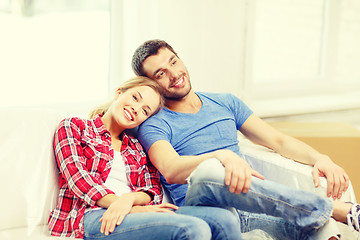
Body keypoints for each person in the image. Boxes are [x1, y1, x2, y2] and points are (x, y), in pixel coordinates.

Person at [131, 39, 360, 239]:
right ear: (149, 83)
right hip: (205, 208)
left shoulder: (225, 102)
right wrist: (222, 156)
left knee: (323, 226)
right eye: (160, 74)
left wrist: (320, 158)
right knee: (209, 171)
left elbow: (277, 141)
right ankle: (336, 209)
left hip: (253, 208)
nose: (174, 74)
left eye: (173, 62)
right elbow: (171, 169)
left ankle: (326, 213)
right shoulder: (154, 123)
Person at [48, 76, 242, 240]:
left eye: (145, 111)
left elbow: (153, 189)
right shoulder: (74, 127)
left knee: (224, 219)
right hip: (93, 214)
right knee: (192, 228)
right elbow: (79, 180)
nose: (136, 109)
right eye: (135, 98)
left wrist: (130, 200)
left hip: (135, 210)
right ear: (118, 93)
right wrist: (127, 206)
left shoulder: (136, 147)